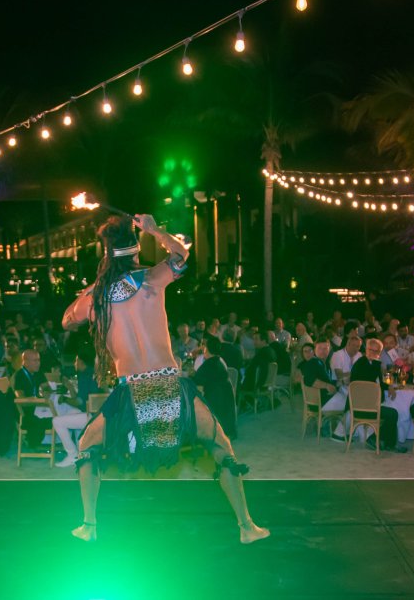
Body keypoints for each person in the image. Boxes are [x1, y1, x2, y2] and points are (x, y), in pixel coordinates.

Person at [63, 213, 268, 544]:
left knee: (87, 445)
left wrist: (91, 289)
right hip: (170, 387)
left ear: (106, 257)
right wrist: (156, 230)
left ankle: (89, 524)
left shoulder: (96, 298)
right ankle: (247, 526)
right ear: (135, 253)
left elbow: (67, 320)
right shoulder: (151, 279)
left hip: (131, 392)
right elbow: (181, 255)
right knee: (220, 445)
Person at [348, 338, 405, 453]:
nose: (373, 353)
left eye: (376, 351)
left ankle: (378, 439)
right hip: (361, 406)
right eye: (371, 350)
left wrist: (388, 387)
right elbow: (367, 385)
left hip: (368, 403)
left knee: (392, 411)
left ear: (380, 353)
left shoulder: (373, 363)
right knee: (392, 414)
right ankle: (378, 440)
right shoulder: (361, 364)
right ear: (366, 350)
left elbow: (378, 382)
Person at [54, 350, 100, 468]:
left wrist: (64, 399)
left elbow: (78, 402)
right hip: (97, 414)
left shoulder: (85, 376)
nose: (74, 363)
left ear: (81, 362)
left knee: (56, 421)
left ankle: (72, 454)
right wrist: (70, 386)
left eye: (76, 361)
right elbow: (79, 400)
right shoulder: (93, 373)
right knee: (72, 412)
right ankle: (81, 454)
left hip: (91, 416)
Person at [191, 338, 237, 439]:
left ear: (206, 350)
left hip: (215, 397)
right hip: (227, 395)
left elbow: (196, 381)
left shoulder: (208, 364)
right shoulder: (219, 362)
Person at [12, 349, 51, 446]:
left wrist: (46, 391)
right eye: (35, 361)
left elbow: (47, 388)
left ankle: (53, 442)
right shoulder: (19, 375)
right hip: (27, 411)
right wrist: (37, 401)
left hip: (40, 406)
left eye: (39, 360)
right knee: (54, 418)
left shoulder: (38, 372)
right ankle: (43, 443)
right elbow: (20, 399)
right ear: (25, 362)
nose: (38, 363)